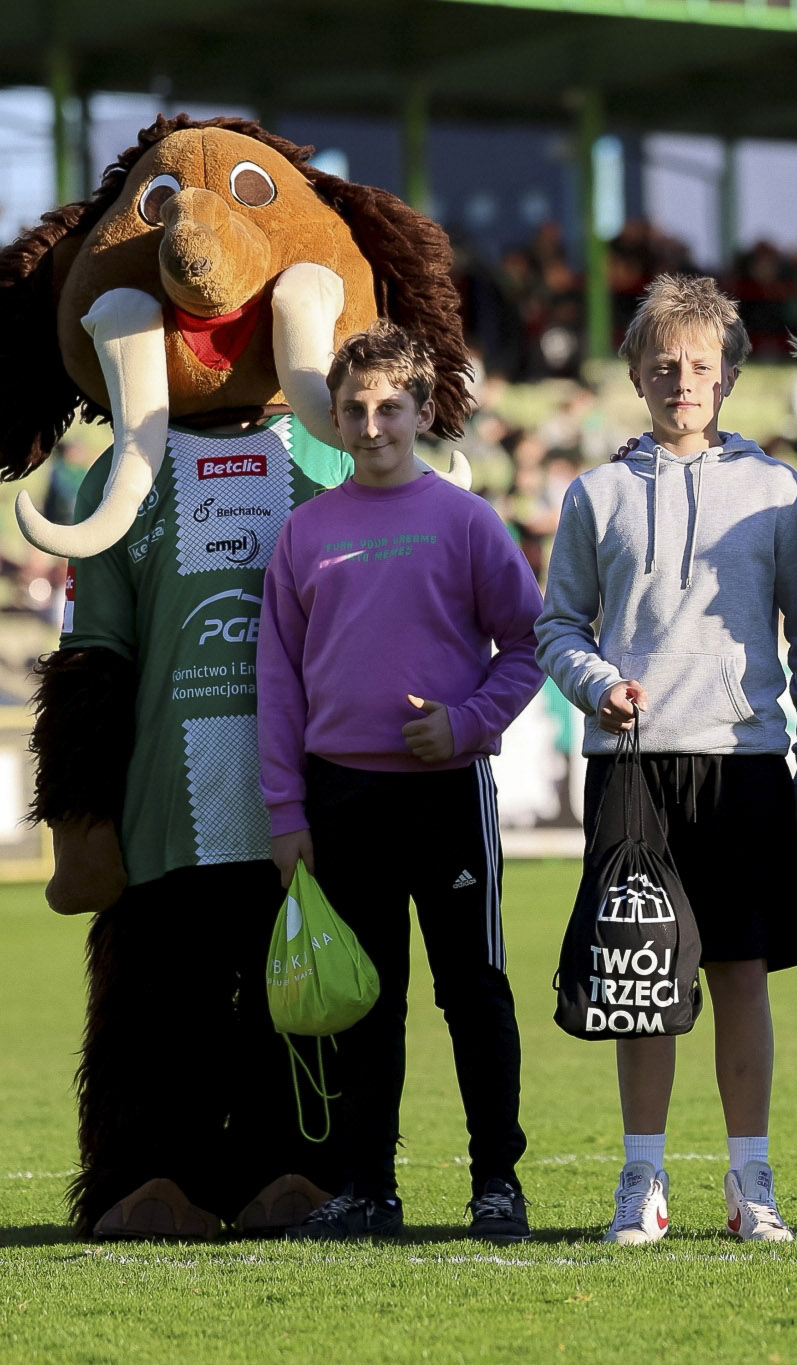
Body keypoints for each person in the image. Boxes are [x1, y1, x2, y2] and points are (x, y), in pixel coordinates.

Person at [536, 274, 797, 1245]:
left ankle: (751, 1182)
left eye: (699, 366)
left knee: (742, 977)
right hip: (631, 768)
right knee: (639, 985)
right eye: (663, 365)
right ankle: (643, 1179)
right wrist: (595, 683)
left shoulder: (776, 492)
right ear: (635, 374)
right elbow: (556, 626)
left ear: (728, 378)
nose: (681, 381)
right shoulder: (593, 495)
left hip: (743, 763)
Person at [258, 322, 545, 1244]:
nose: (373, 424)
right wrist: (286, 811)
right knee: (364, 1003)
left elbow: (530, 643)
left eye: (391, 406)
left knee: (474, 991)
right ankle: (367, 1187)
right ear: (335, 419)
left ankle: (496, 1180)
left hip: (448, 796)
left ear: (424, 410)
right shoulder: (305, 532)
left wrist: (465, 722)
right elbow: (278, 681)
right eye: (356, 408)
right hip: (341, 800)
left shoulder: (467, 521)